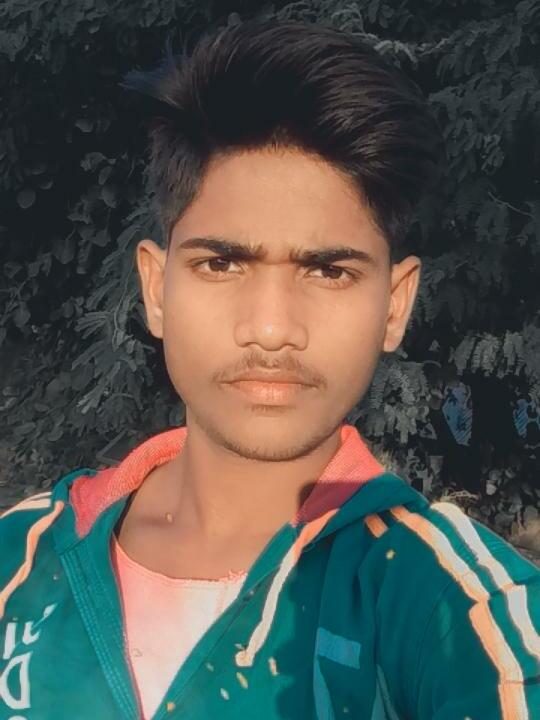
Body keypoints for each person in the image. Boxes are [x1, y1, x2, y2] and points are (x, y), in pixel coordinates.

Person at [1, 17, 538, 720]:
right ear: (157, 291)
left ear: (395, 306)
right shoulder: (22, 558)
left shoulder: (452, 607)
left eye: (329, 271)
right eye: (221, 264)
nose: (272, 329)